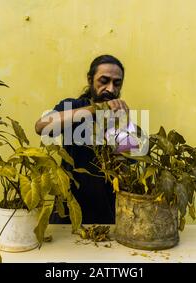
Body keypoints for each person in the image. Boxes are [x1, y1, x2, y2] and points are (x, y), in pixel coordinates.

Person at [34, 55, 130, 224]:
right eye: (104, 81)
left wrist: (123, 126)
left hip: (106, 211)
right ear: (90, 79)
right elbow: (41, 127)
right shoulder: (73, 106)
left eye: (117, 83)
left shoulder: (120, 115)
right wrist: (95, 109)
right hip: (68, 208)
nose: (110, 88)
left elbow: (125, 170)